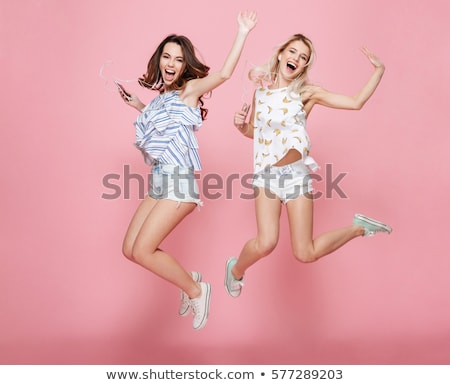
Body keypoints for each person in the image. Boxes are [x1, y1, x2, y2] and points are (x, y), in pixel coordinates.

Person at [118, 11, 257, 329]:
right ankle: (188, 278)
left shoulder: (189, 90)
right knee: (130, 250)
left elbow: (222, 74)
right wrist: (138, 105)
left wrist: (242, 31)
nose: (170, 63)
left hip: (179, 184)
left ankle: (196, 289)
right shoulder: (162, 98)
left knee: (143, 250)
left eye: (178, 59)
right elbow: (165, 130)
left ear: (185, 66)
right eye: (166, 56)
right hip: (158, 182)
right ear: (159, 60)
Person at [225, 33, 392, 298]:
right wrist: (241, 126)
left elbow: (356, 103)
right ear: (281, 54)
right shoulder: (262, 93)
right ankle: (235, 270)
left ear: (304, 66)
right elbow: (255, 132)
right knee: (266, 243)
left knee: (305, 253)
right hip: (267, 175)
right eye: (292, 52)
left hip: (296, 176)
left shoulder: (307, 93)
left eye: (303, 57)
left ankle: (359, 228)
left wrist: (379, 71)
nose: (296, 59)